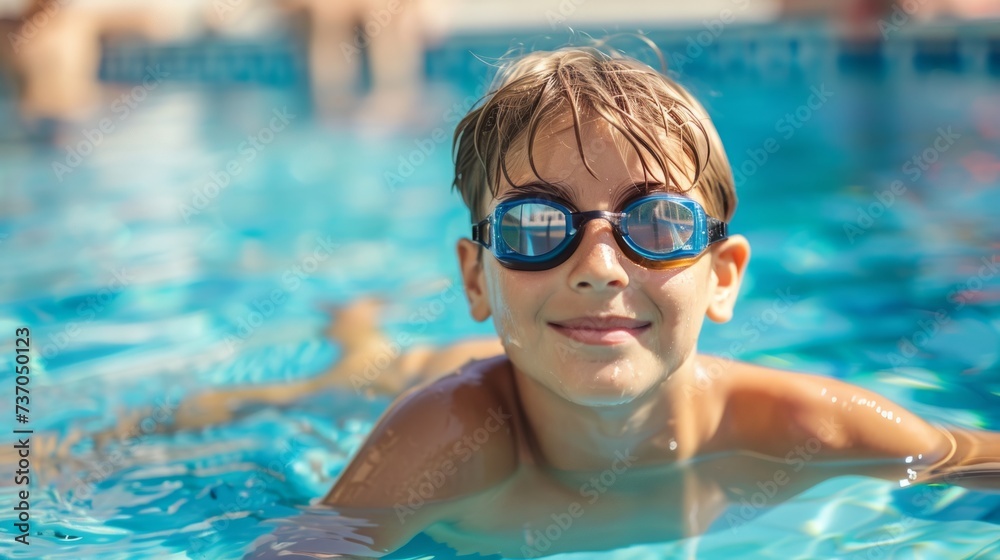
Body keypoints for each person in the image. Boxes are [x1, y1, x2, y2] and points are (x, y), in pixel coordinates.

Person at [247, 43, 1000, 559]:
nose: (601, 267)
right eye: (537, 226)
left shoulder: (801, 429)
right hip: (453, 373)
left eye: (657, 223)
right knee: (344, 380)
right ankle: (357, 333)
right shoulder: (445, 439)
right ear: (477, 279)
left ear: (724, 276)